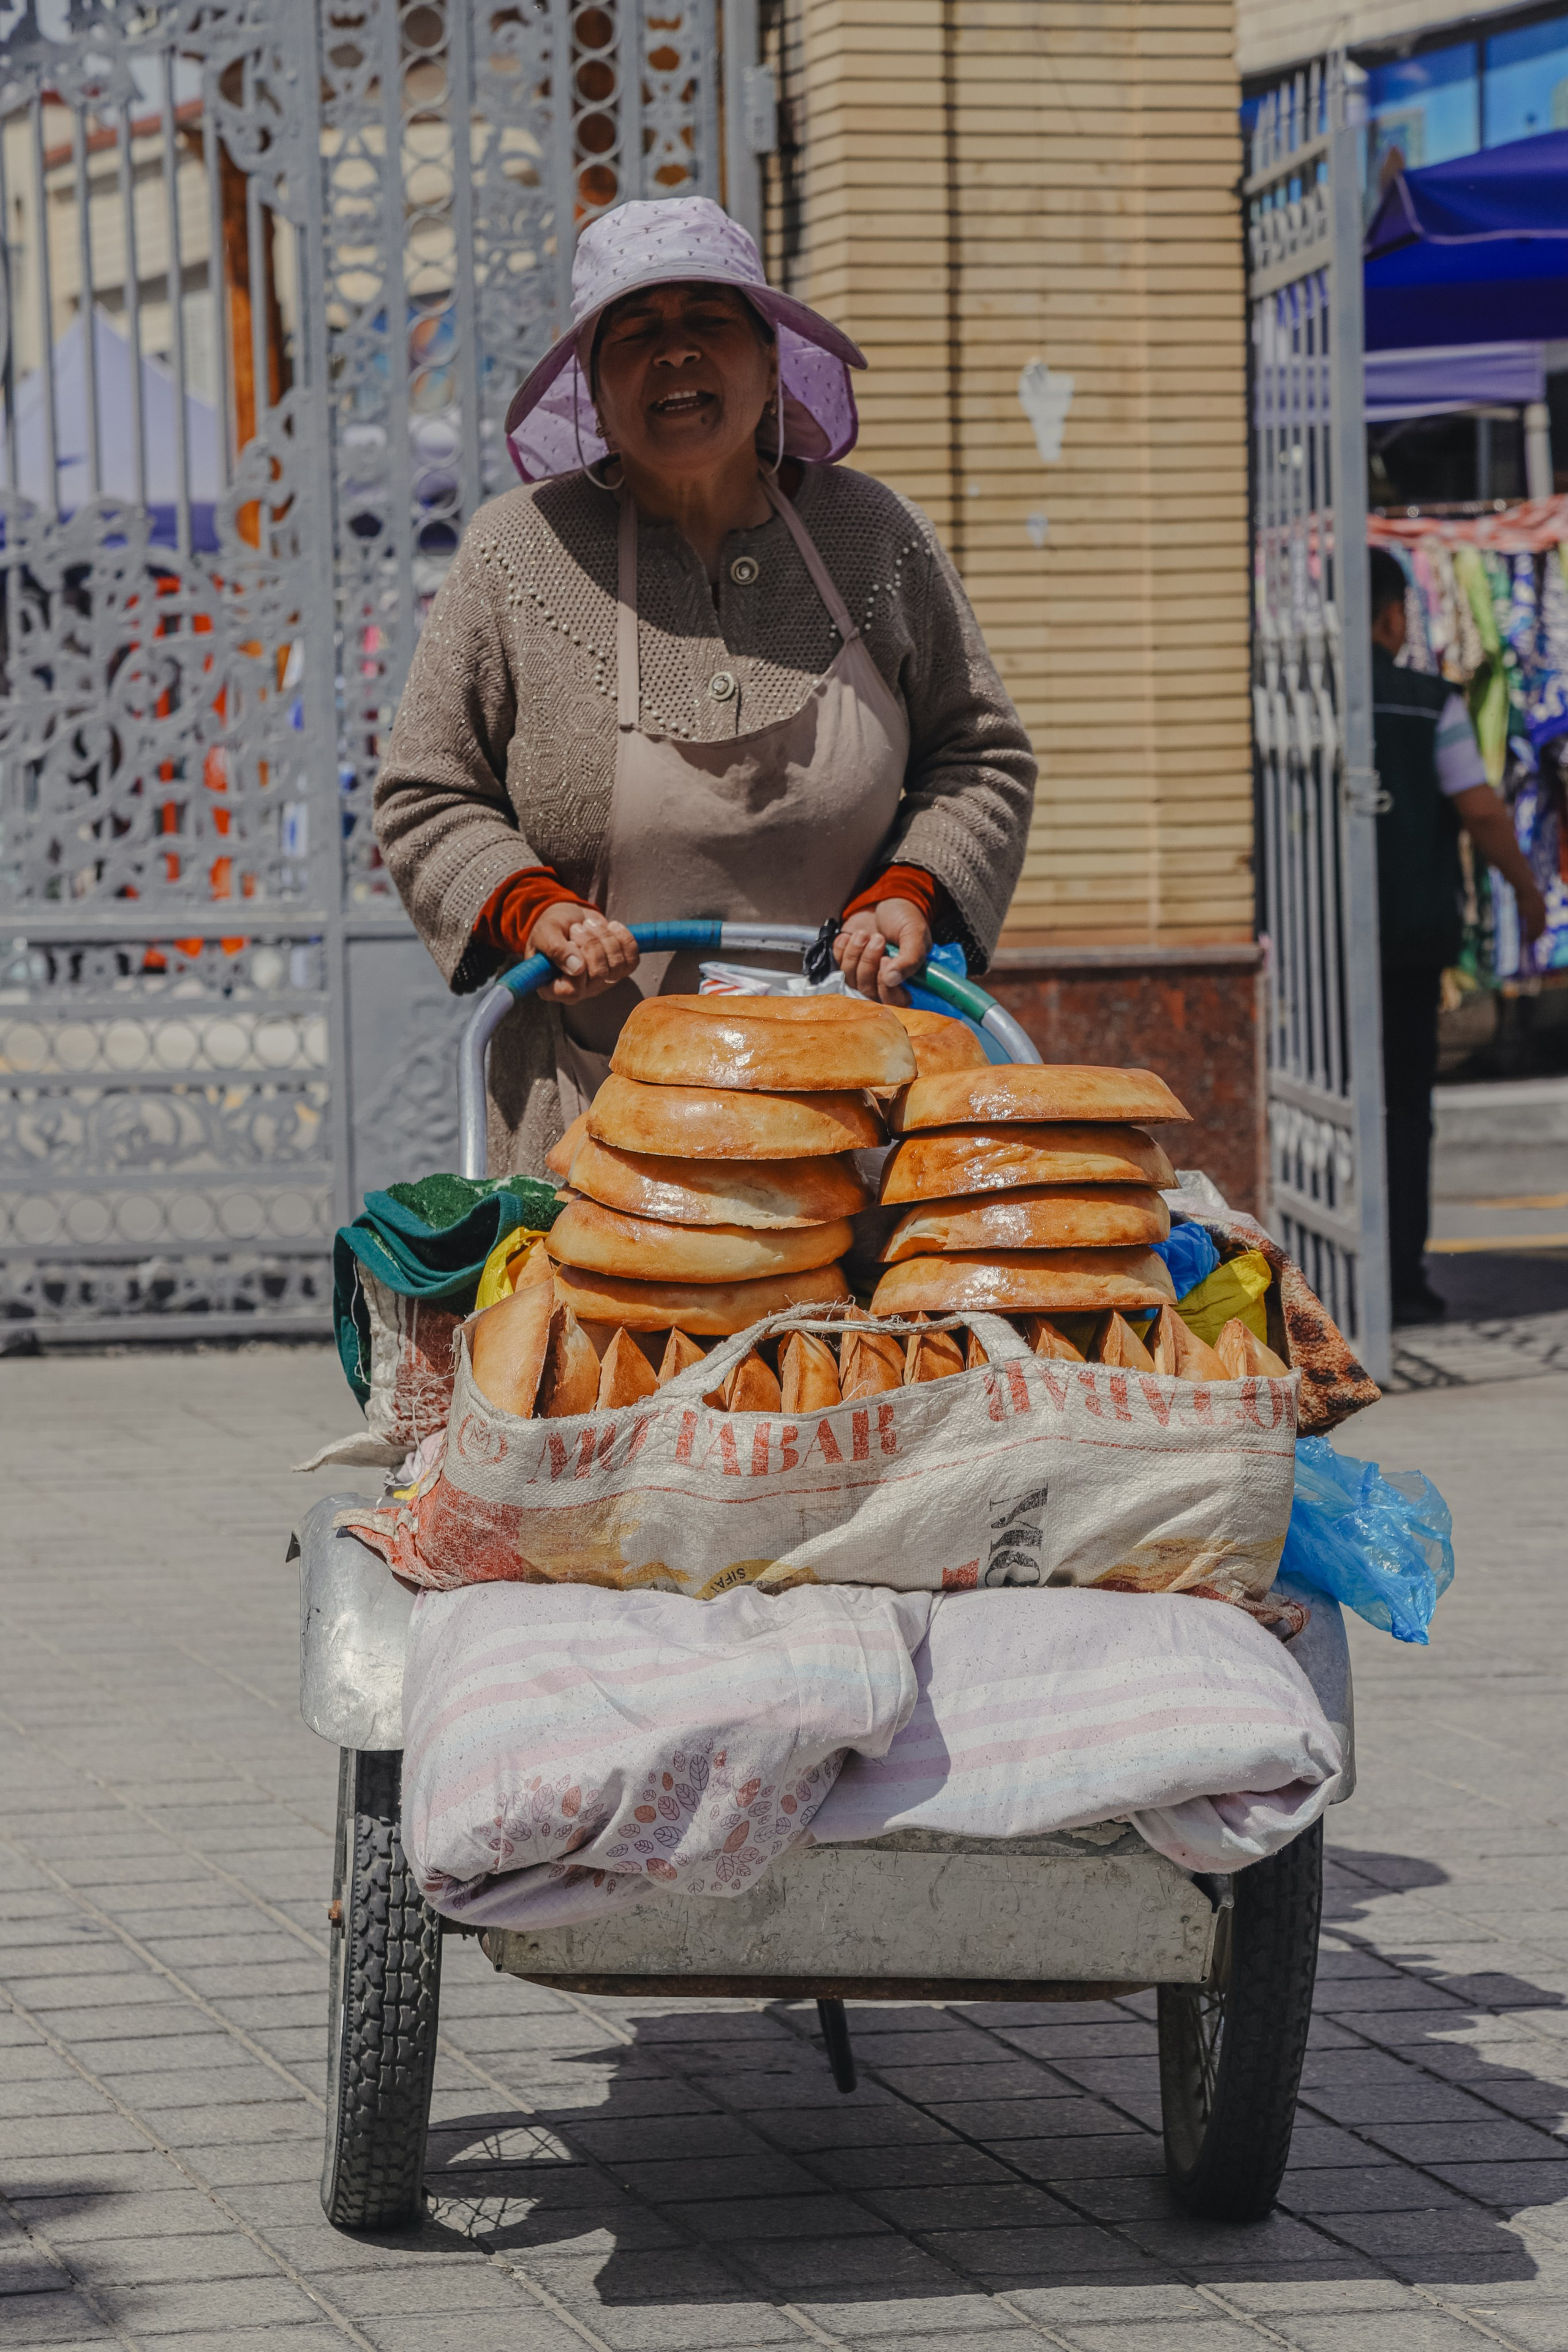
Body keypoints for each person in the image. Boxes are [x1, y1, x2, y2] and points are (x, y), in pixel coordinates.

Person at [374, 199, 1036, 1171]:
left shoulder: (874, 537)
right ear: (593, 391)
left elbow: (981, 754)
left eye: (709, 323)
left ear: (770, 364)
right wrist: (528, 909)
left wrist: (913, 891)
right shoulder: (518, 553)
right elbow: (427, 792)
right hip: (592, 1112)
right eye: (635, 333)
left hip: (863, 1111)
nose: (675, 355)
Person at [1369, 546, 1547, 1325]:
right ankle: (1400, 1280)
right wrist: (1527, 889)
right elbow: (1480, 808)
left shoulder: (1290, 701)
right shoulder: (1426, 701)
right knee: (1403, 1108)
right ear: (1393, 614)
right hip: (1407, 941)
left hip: (1311, 961)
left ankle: (1324, 1279)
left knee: (1323, 1107)